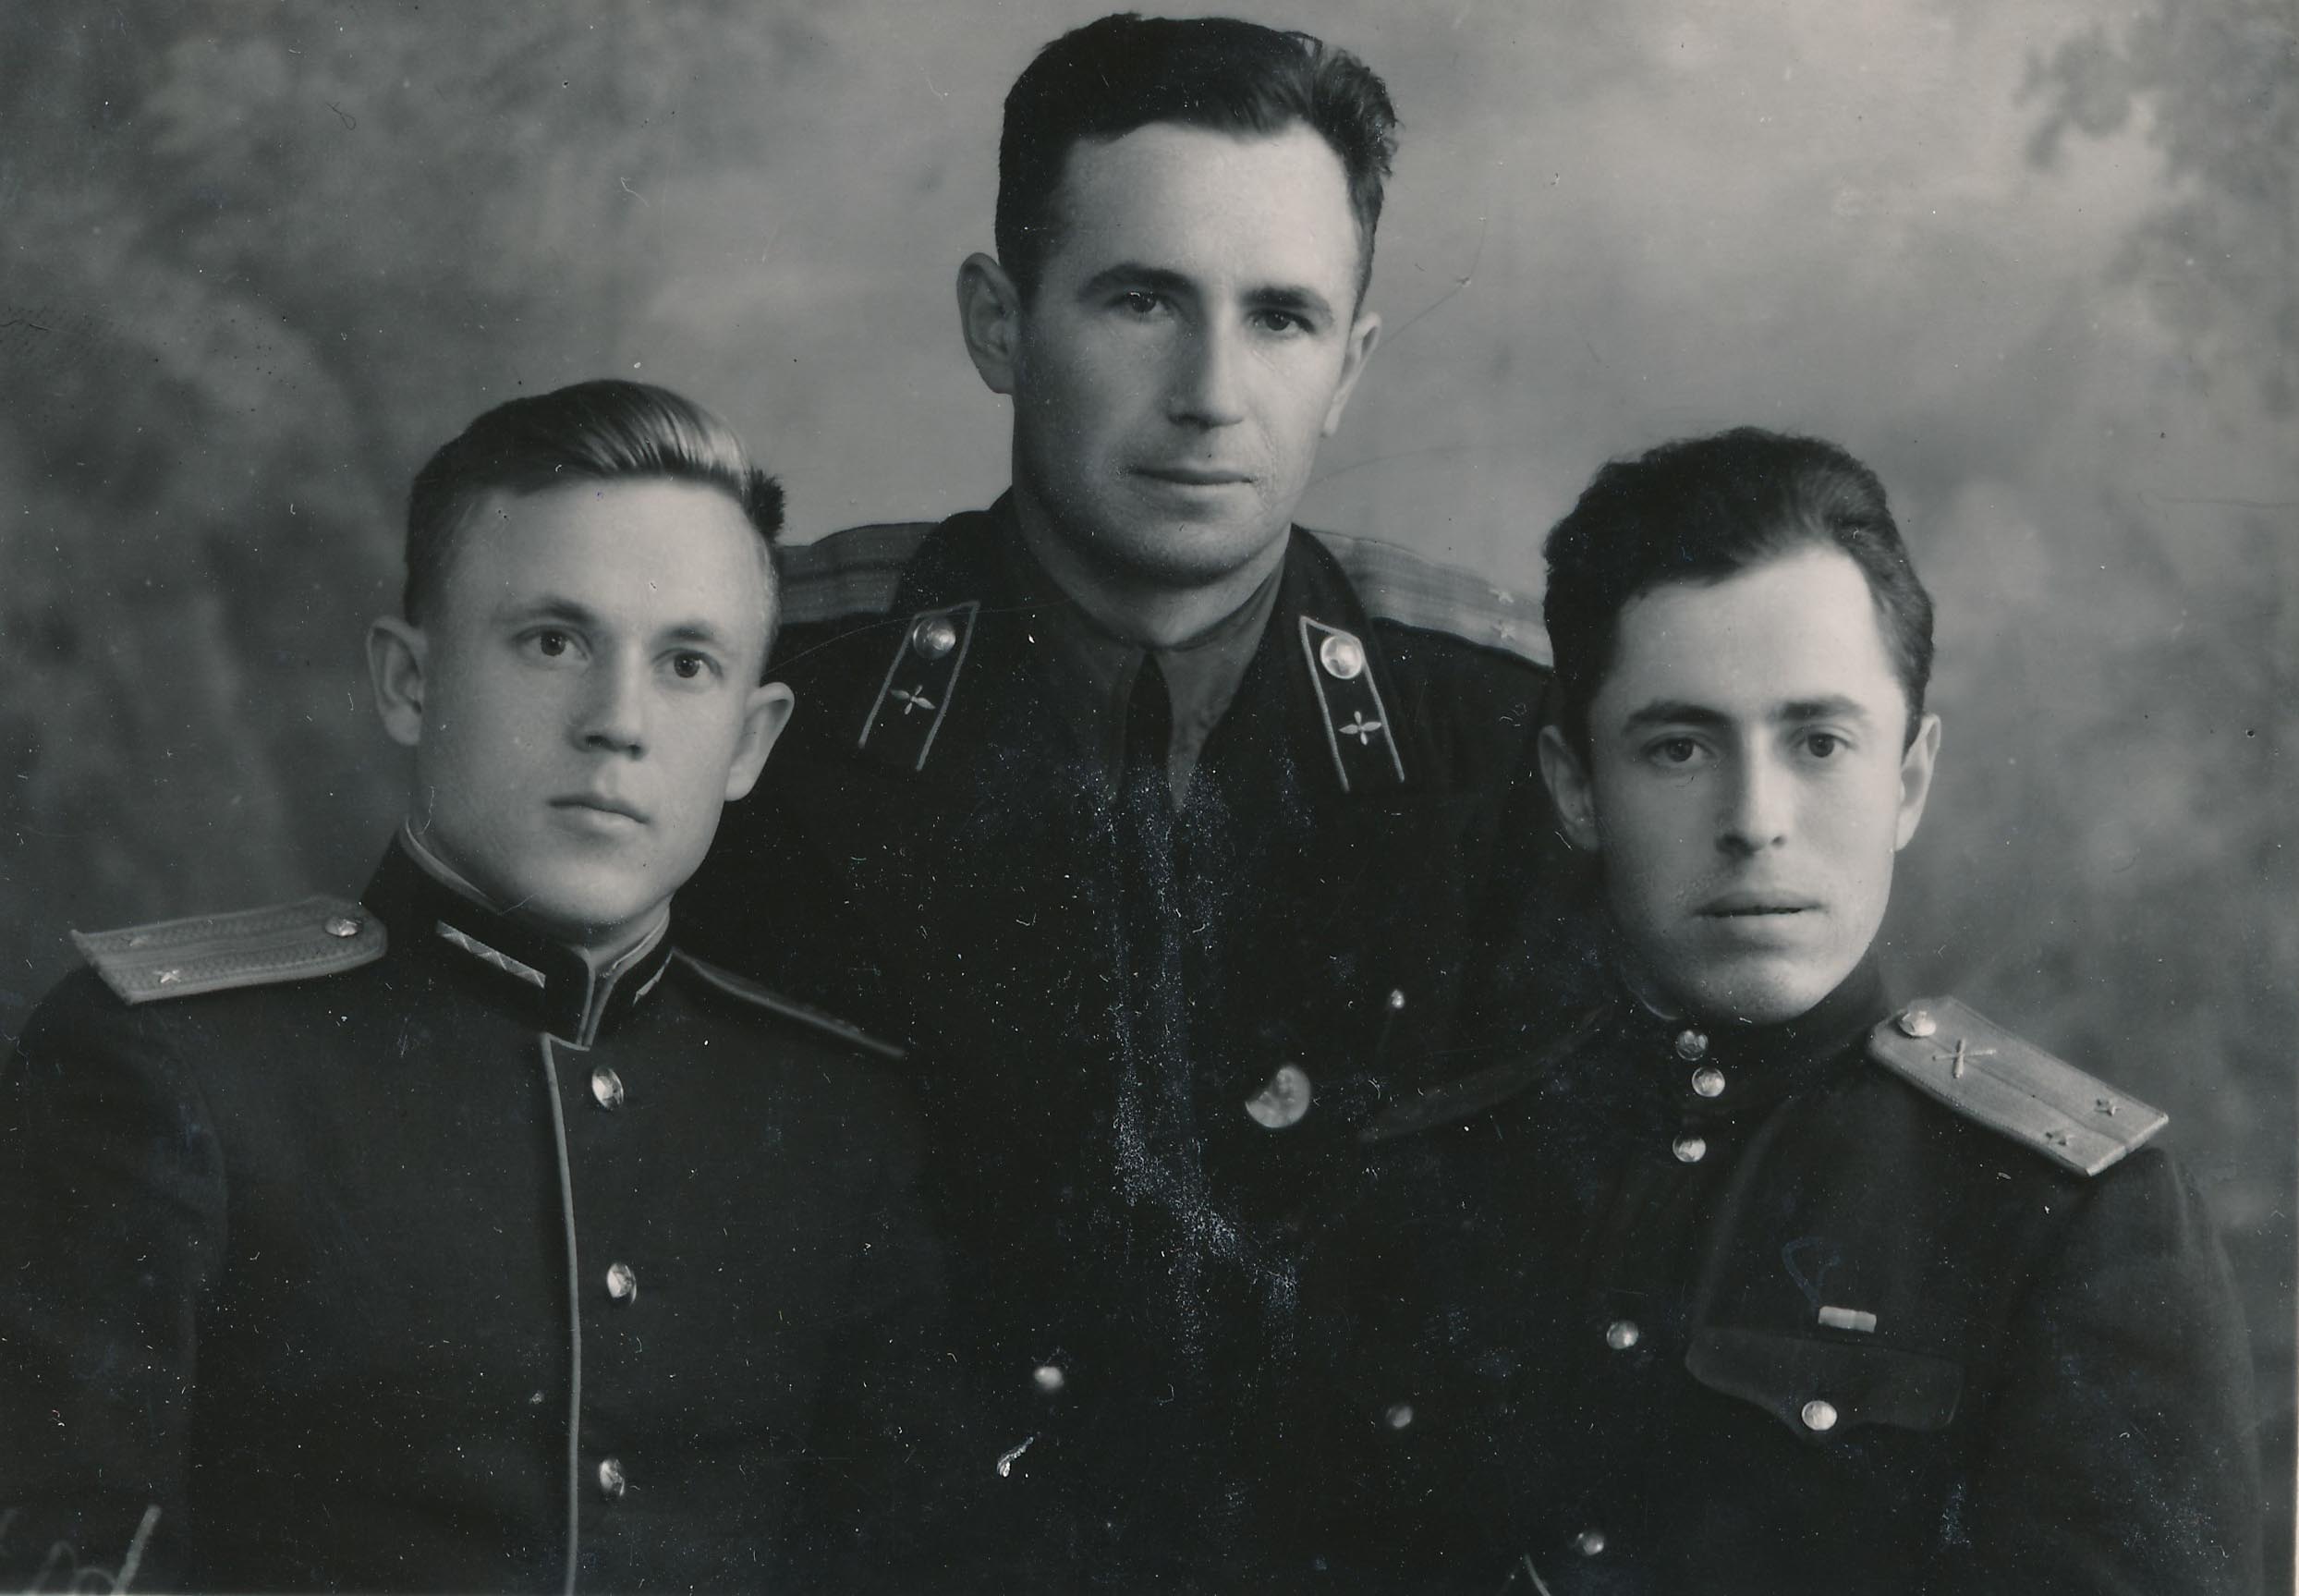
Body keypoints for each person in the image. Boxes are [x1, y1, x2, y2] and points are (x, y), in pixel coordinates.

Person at [678, 13, 1571, 1586]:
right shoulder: (767, 700)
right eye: (1142, 300)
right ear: (998, 323)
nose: (1211, 392)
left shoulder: (1496, 741)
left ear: (1351, 366)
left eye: (1281, 317)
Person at [0, 381, 952, 1592]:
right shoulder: (171, 1071)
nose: (617, 722)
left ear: (751, 740)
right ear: (410, 680)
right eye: (553, 641)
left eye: (687, 663)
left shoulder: (834, 1118)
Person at [1298, 427, 2262, 1592]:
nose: (1755, 818)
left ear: (1906, 779)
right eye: (1677, 747)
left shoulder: (2067, 1218)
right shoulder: (1424, 1177)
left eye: (1817, 741)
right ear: (1575, 787)